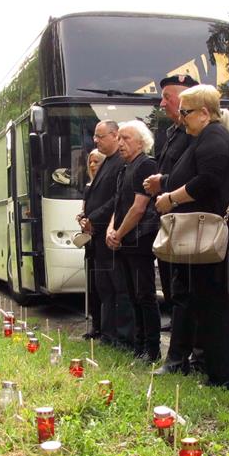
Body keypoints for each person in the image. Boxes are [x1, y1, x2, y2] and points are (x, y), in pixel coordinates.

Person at [153, 84, 229, 390]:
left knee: (218, 307)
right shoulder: (202, 138)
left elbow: (207, 180)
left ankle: (224, 380)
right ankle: (213, 372)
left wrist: (171, 198)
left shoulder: (214, 138)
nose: (181, 118)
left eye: (185, 112)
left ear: (204, 113)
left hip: (218, 234)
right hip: (203, 232)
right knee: (205, 305)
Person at [144, 74, 200, 374]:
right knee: (173, 290)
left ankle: (182, 359)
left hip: (189, 223)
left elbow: (194, 175)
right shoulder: (174, 133)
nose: (162, 102)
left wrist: (163, 182)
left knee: (185, 293)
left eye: (169, 96)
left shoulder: (199, 135)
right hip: (169, 222)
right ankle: (182, 357)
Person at [106, 121, 162, 362]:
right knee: (130, 293)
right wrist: (111, 229)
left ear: (141, 142)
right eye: (119, 138)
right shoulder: (123, 169)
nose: (120, 143)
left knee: (144, 294)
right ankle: (139, 344)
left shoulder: (146, 164)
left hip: (140, 240)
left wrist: (119, 232)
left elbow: (139, 208)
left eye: (126, 138)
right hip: (124, 239)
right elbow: (118, 205)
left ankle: (152, 348)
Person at [80, 120, 135, 350]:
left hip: (111, 234)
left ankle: (123, 337)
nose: (95, 140)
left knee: (119, 289)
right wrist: (85, 217)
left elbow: (117, 199)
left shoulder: (120, 163)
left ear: (114, 135)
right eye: (95, 136)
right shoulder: (106, 162)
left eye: (100, 136)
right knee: (104, 289)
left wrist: (96, 218)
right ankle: (108, 333)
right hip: (98, 236)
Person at [77, 149, 106, 339]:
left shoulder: (105, 185)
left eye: (97, 162)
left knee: (103, 285)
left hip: (102, 237)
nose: (93, 165)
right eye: (91, 162)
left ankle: (105, 326)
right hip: (90, 239)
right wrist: (81, 218)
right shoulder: (88, 187)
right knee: (92, 285)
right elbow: (84, 209)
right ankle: (95, 325)